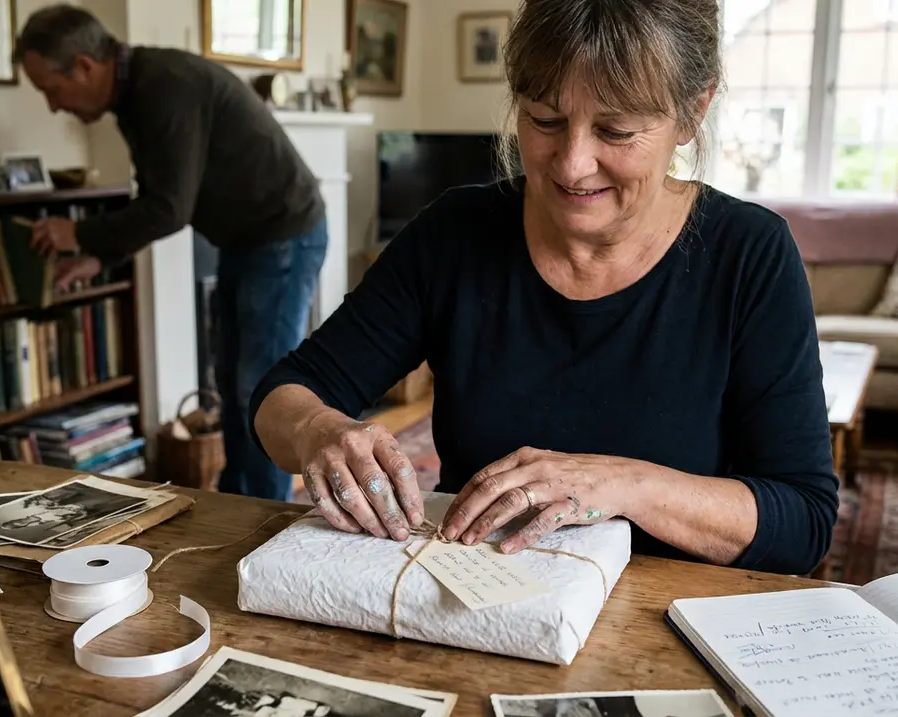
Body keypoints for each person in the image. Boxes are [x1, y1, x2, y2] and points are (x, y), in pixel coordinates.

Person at [249, 0, 838, 576]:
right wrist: (318, 431)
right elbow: (285, 392)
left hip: (663, 624)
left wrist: (622, 484)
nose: (572, 164)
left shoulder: (750, 254)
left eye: (616, 130)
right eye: (544, 120)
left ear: (692, 112)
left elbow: (803, 525)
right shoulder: (455, 234)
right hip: (473, 608)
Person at [11, 5, 328, 502]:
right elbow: (160, 198)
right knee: (232, 384)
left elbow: (168, 209)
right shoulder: (138, 91)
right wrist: (101, 257)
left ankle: (269, 516)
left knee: (261, 388)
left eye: (51, 89)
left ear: (84, 67)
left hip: (283, 234)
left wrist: (79, 235)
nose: (54, 106)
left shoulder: (163, 87)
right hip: (246, 240)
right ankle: (240, 502)